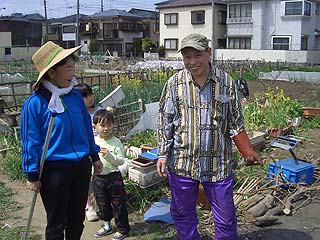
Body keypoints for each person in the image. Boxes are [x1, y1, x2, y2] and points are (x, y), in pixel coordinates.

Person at [156, 33, 263, 240]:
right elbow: (165, 121)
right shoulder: (174, 84)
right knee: (183, 214)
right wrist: (162, 154)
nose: (192, 62)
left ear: (208, 53)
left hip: (218, 163)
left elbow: (235, 122)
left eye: (197, 55)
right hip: (182, 162)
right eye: (187, 57)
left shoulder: (226, 83)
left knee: (225, 217)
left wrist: (247, 150)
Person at [21, 41, 103, 240]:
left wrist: (94, 156)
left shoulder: (74, 97)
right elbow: (30, 141)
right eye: (67, 68)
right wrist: (32, 174)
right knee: (56, 222)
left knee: (76, 220)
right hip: (54, 171)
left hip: (81, 166)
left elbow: (85, 128)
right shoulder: (35, 103)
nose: (72, 72)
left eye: (73, 67)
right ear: (51, 73)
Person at [91, 109, 130, 240]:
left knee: (118, 204)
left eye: (109, 124)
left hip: (114, 178)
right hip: (98, 179)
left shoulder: (116, 142)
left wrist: (109, 155)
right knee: (102, 203)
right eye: (102, 125)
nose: (106, 128)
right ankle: (107, 226)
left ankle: (123, 229)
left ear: (113, 125)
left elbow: (120, 161)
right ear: (94, 127)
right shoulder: (93, 142)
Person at [74, 82, 103, 222]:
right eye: (85, 96)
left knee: (102, 176)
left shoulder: (100, 111)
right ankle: (88, 206)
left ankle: (102, 201)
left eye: (90, 94)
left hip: (101, 149)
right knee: (87, 178)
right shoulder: (77, 115)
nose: (89, 98)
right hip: (87, 151)